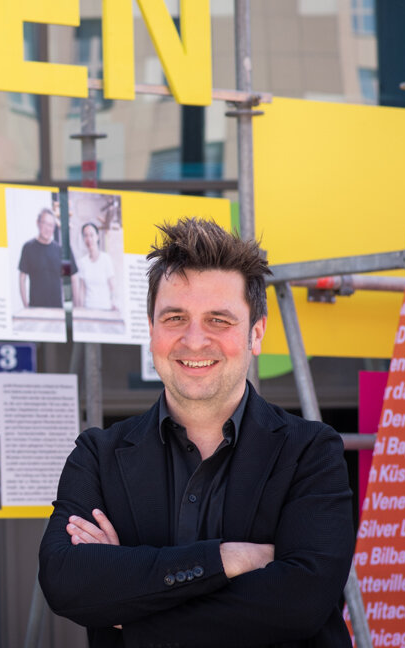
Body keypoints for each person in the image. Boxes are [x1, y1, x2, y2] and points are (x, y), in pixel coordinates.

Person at [38, 218, 353, 647]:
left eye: (218, 320)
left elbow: (298, 604)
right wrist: (226, 559)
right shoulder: (98, 454)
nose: (194, 340)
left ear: (256, 333)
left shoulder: (311, 453)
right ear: (151, 331)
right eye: (175, 317)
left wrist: (132, 605)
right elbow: (66, 581)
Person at [19, 207, 63, 308]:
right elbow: (22, 278)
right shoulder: (28, 247)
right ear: (38, 223)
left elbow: (68, 279)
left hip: (57, 309)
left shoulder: (59, 250)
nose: (48, 228)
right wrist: (26, 305)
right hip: (36, 308)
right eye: (45, 223)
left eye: (51, 225)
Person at [73, 222, 117, 310]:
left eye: (91, 235)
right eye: (85, 236)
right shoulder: (82, 262)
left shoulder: (106, 259)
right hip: (88, 308)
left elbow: (112, 286)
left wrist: (114, 303)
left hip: (105, 308)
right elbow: (82, 289)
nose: (89, 239)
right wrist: (80, 309)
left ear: (97, 237)